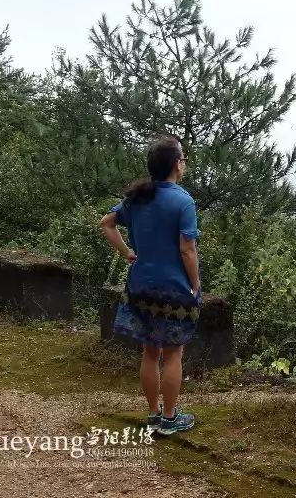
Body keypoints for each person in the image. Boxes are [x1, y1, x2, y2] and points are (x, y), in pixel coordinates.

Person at [99, 136, 201, 436]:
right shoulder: (183, 201)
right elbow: (187, 249)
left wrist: (128, 253)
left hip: (140, 286)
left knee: (150, 352)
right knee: (173, 354)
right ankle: (170, 419)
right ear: (175, 165)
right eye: (182, 158)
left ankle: (154, 414)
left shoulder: (138, 198)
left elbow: (106, 223)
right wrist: (195, 285)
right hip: (174, 289)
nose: (184, 163)